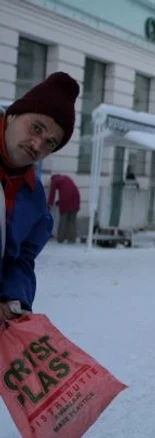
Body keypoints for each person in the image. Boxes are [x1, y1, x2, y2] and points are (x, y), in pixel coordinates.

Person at [0, 72, 80, 323]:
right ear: (12, 115)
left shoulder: (34, 199)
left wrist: (13, 301)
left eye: (50, 143)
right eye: (36, 128)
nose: (37, 144)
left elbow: (22, 258)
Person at [47, 173, 80, 243]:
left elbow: (52, 193)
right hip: (76, 200)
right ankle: (71, 239)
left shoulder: (55, 180)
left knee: (63, 220)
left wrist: (49, 204)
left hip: (66, 202)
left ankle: (61, 238)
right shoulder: (67, 178)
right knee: (72, 221)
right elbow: (69, 191)